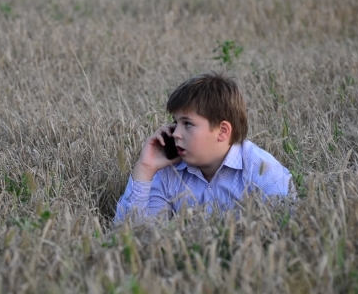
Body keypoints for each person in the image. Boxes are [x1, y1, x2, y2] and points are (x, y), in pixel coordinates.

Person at [115, 71, 293, 223]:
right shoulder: (168, 171)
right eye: (175, 123)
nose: (175, 133)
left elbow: (286, 233)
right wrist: (145, 169)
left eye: (188, 124)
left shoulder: (263, 172)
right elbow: (133, 237)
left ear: (222, 131)